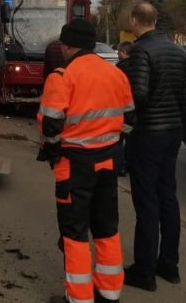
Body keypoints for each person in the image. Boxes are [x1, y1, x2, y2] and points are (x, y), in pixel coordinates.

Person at [37, 18, 135, 303]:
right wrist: (110, 143)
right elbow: (129, 119)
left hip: (74, 165)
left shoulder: (62, 76)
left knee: (75, 234)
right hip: (107, 162)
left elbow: (50, 126)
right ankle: (109, 293)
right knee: (106, 228)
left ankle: (78, 298)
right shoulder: (115, 74)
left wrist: (54, 153)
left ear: (67, 45)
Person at [124, 2, 186, 291]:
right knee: (168, 197)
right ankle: (169, 265)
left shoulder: (140, 50)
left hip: (148, 134)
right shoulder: (178, 51)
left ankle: (144, 271)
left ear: (136, 20)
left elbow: (137, 94)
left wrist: (131, 123)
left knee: (146, 201)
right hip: (172, 132)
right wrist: (176, 122)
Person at [115, 41, 134, 176]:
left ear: (124, 53)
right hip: (135, 106)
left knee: (120, 138)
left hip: (122, 107)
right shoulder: (137, 66)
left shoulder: (119, 68)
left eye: (118, 52)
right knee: (131, 137)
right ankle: (129, 164)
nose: (117, 54)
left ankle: (121, 166)